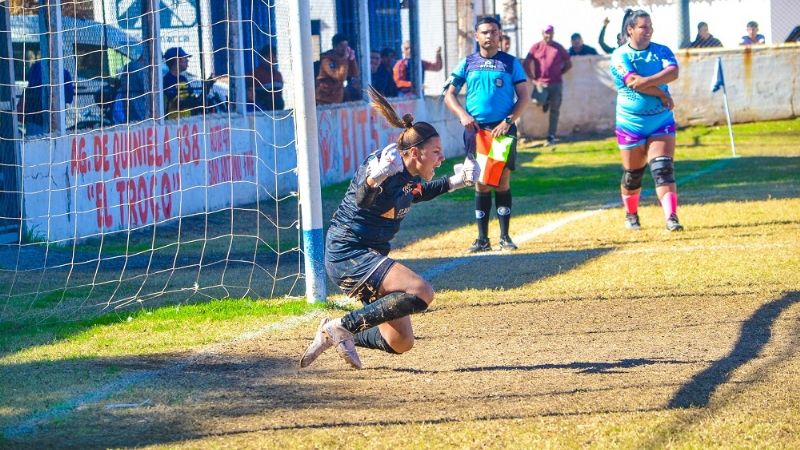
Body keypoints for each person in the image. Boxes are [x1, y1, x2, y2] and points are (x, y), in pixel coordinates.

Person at [299, 86, 480, 369]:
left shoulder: (406, 175)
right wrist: (376, 177)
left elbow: (418, 192)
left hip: (370, 256)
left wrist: (455, 182)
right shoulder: (384, 167)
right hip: (349, 254)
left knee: (401, 342)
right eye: (436, 152)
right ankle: (341, 326)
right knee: (422, 291)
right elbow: (363, 198)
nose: (442, 158)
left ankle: (332, 332)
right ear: (416, 153)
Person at [444, 16, 530, 253]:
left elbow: (524, 96)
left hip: (502, 130)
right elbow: (449, 95)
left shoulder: (511, 63)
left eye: (493, 32)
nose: (489, 36)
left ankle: (505, 236)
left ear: (500, 35)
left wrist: (508, 121)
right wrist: (463, 115)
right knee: (480, 181)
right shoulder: (467, 63)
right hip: (476, 131)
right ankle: (482, 239)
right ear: (476, 36)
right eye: (484, 32)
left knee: (501, 180)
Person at [609, 9, 683, 232]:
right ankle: (631, 214)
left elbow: (673, 72)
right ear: (630, 30)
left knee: (663, 169)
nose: (648, 30)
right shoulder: (620, 55)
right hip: (630, 123)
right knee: (633, 174)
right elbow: (632, 82)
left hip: (660, 120)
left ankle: (671, 217)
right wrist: (661, 93)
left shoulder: (661, 50)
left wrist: (648, 80)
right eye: (643, 27)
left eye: (650, 26)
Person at [524, 25, 572, 146]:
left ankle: (551, 136)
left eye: (550, 33)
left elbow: (568, 63)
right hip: (541, 83)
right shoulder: (536, 47)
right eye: (546, 33)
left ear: (553, 33)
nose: (548, 35)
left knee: (555, 110)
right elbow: (526, 63)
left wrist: (560, 73)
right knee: (537, 100)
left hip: (556, 84)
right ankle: (544, 102)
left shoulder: (558, 47)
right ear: (542, 33)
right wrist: (533, 79)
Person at [17, 59, 75, 135]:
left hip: (34, 116)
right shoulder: (63, 73)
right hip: (55, 119)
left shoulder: (36, 68)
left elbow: (31, 86)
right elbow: (69, 97)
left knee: (34, 141)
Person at [315, 33, 360, 105]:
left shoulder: (343, 59)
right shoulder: (327, 60)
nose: (344, 49)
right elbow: (340, 77)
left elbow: (354, 73)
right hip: (324, 99)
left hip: (337, 99)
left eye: (346, 45)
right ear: (335, 47)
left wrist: (352, 60)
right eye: (341, 46)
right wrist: (344, 60)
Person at [113, 53, 150, 124]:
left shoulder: (129, 66)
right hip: (139, 109)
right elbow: (146, 86)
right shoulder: (139, 69)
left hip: (128, 106)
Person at [246, 43, 284, 111]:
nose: (272, 60)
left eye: (274, 57)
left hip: (277, 112)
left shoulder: (278, 76)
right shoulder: (254, 75)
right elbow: (250, 97)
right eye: (269, 57)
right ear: (262, 59)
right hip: (260, 112)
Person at [162, 47, 198, 118]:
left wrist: (207, 86)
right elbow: (179, 105)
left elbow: (194, 100)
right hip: (172, 123)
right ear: (177, 60)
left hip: (187, 121)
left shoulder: (183, 79)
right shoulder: (167, 80)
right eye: (184, 58)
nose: (187, 60)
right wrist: (193, 101)